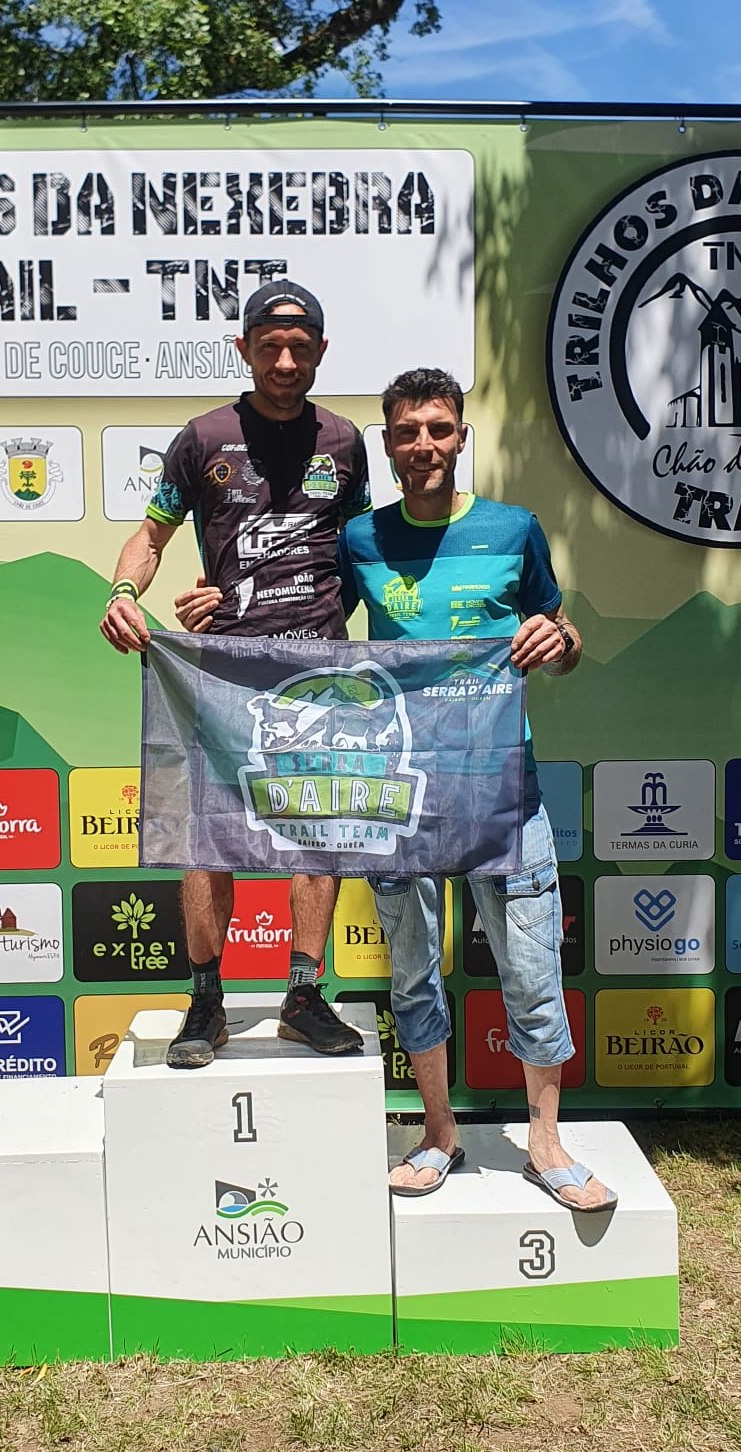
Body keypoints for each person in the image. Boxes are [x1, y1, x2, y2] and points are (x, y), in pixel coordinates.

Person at [175, 368, 615, 1212]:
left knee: (530, 971)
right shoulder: (361, 539)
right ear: (387, 444)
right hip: (397, 797)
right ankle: (439, 1134)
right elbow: (294, 621)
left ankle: (546, 1144)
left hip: (501, 791)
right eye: (408, 431)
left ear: (461, 437)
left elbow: (563, 633)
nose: (424, 445)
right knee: (413, 977)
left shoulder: (514, 529)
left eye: (439, 429)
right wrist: (211, 615)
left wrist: (557, 642)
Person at [99, 280, 372, 1070]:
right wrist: (123, 594)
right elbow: (149, 538)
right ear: (244, 348)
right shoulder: (203, 438)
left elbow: (365, 552)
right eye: (270, 346)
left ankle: (303, 997)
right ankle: (206, 1000)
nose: (285, 362)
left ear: (321, 351)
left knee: (317, 836)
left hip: (317, 669)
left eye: (300, 347)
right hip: (220, 675)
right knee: (205, 840)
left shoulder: (346, 442)